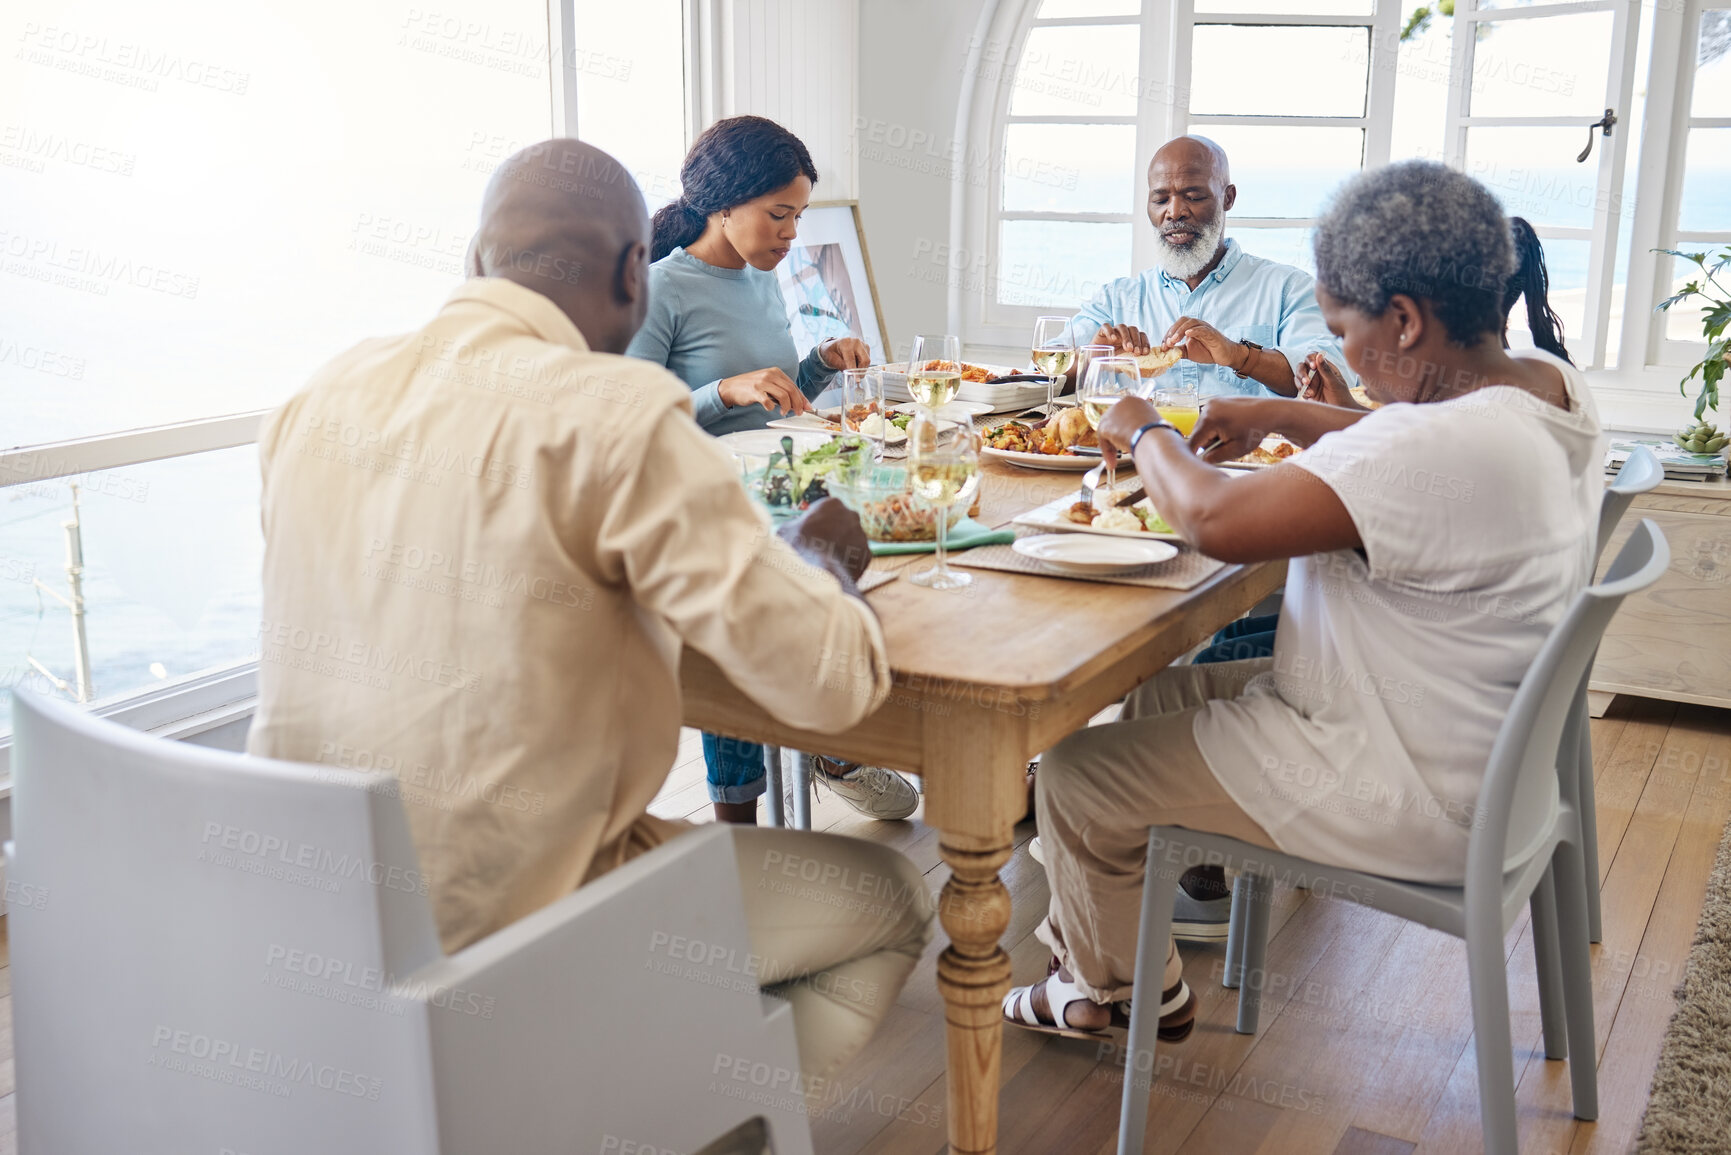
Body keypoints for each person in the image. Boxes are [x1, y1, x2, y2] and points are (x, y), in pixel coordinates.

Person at [248, 138, 932, 1081]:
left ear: (475, 259)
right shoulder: (616, 412)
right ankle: (677, 1114)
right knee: (895, 897)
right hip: (519, 916)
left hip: (310, 905)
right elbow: (828, 689)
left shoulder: (318, 395)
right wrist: (823, 560)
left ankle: (596, 1084)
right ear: (631, 272)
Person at [1002, 160, 1603, 1043]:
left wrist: (1144, 430)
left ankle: (1131, 995)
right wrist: (1283, 414)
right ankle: (1091, 959)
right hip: (1481, 754)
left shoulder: (1425, 448)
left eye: (1342, 330)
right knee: (1158, 694)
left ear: (1403, 319)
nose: (1347, 355)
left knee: (1074, 776)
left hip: (1401, 783)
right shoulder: (1543, 387)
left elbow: (1210, 516)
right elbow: (1417, 437)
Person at [626, 114, 920, 825]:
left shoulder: (760, 279)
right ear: (722, 206)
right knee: (738, 639)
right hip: (706, 508)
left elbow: (773, 397)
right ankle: (738, 825)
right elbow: (631, 420)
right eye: (778, 215)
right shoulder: (660, 288)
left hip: (777, 489)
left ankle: (829, 742)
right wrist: (720, 390)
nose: (791, 235)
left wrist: (819, 365)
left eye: (797, 216)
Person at [1063, 135, 1345, 399]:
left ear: (1228, 198)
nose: (1174, 212)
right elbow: (1042, 374)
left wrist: (1239, 355)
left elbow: (1331, 377)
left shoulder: (1288, 289)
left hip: (1253, 452)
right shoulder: (1115, 300)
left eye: (1194, 197)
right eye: (1161, 199)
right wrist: (1092, 358)